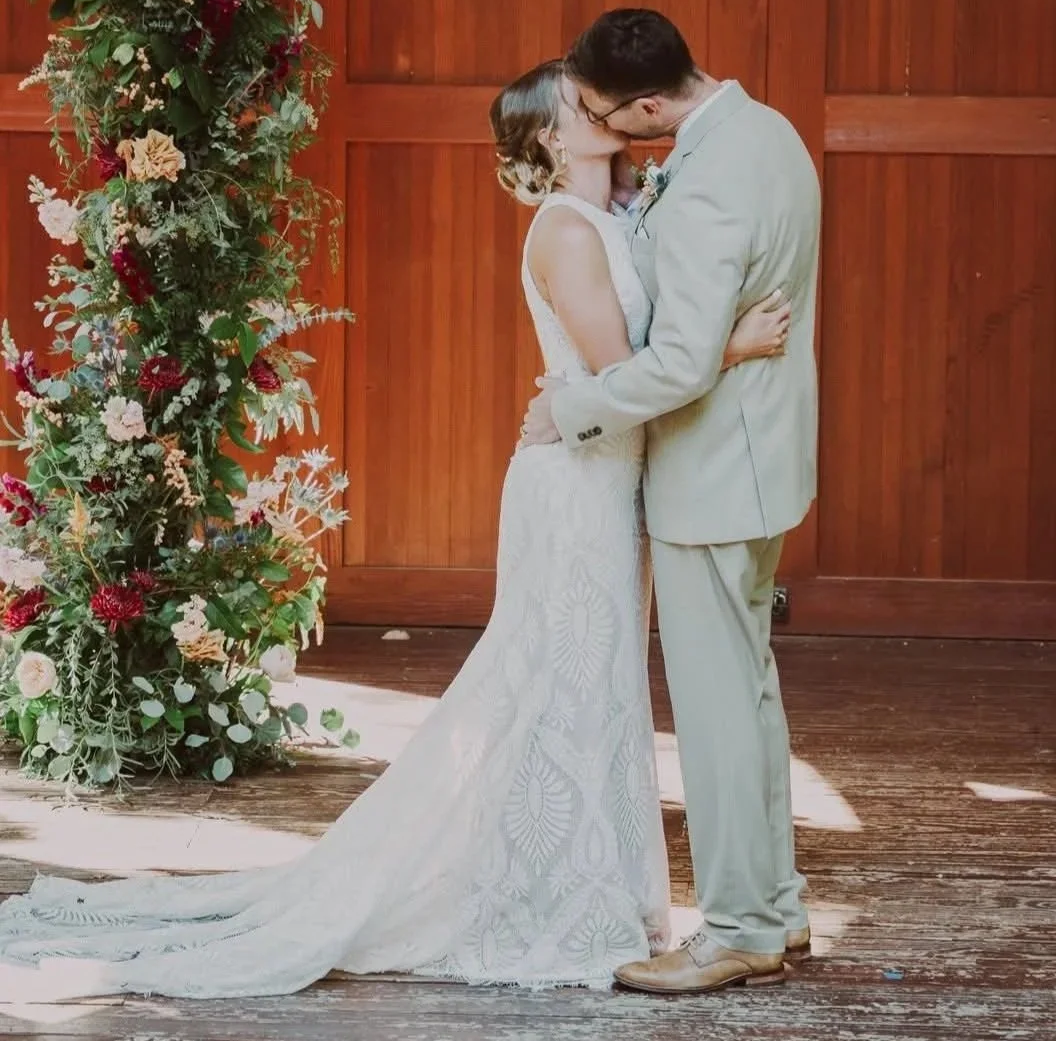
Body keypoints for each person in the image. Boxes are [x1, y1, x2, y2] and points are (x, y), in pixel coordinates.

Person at [0, 55, 788, 1002]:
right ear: (551, 135)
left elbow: (624, 374)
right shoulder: (568, 234)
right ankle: (545, 891)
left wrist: (615, 377)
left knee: (593, 687)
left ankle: (596, 884)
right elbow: (627, 379)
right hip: (574, 488)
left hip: (607, 480)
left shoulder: (621, 215)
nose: (606, 110)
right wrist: (726, 345)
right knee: (552, 681)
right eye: (584, 105)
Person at [524, 9, 821, 995]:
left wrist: (572, 409)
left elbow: (680, 367)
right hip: (761, 459)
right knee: (749, 693)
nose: (602, 125)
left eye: (608, 110)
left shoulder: (702, 189)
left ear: (648, 104)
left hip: (710, 473)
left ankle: (736, 929)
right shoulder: (766, 129)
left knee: (716, 711)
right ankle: (773, 910)